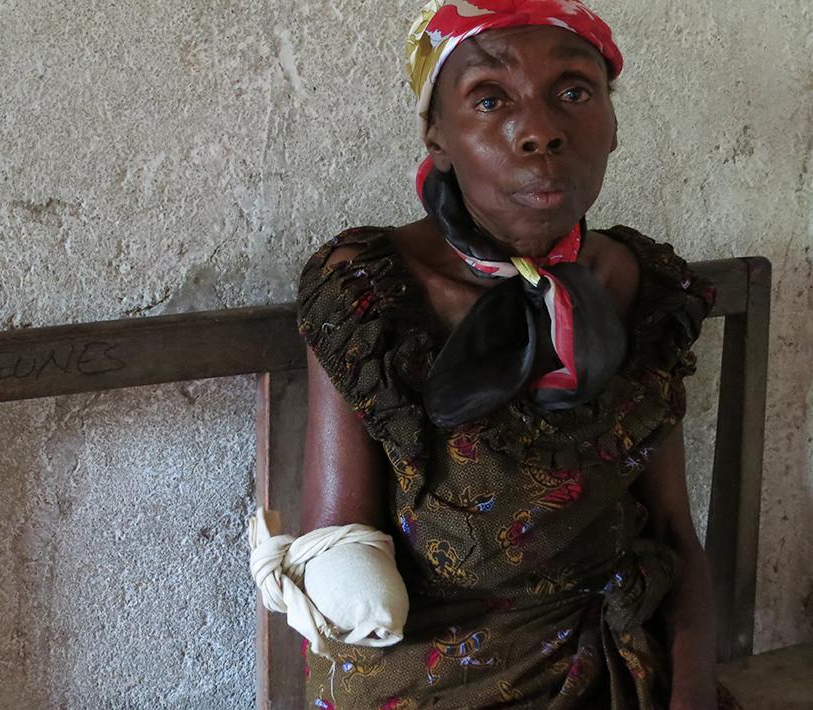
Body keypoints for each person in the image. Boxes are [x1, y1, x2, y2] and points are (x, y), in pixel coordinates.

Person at [253, 1, 741, 707]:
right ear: (437, 135)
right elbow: (342, 559)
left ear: (613, 124)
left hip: (621, 666)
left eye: (575, 91)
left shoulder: (644, 287)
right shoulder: (372, 295)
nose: (540, 130)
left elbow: (671, 531)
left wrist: (691, 695)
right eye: (490, 98)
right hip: (432, 679)